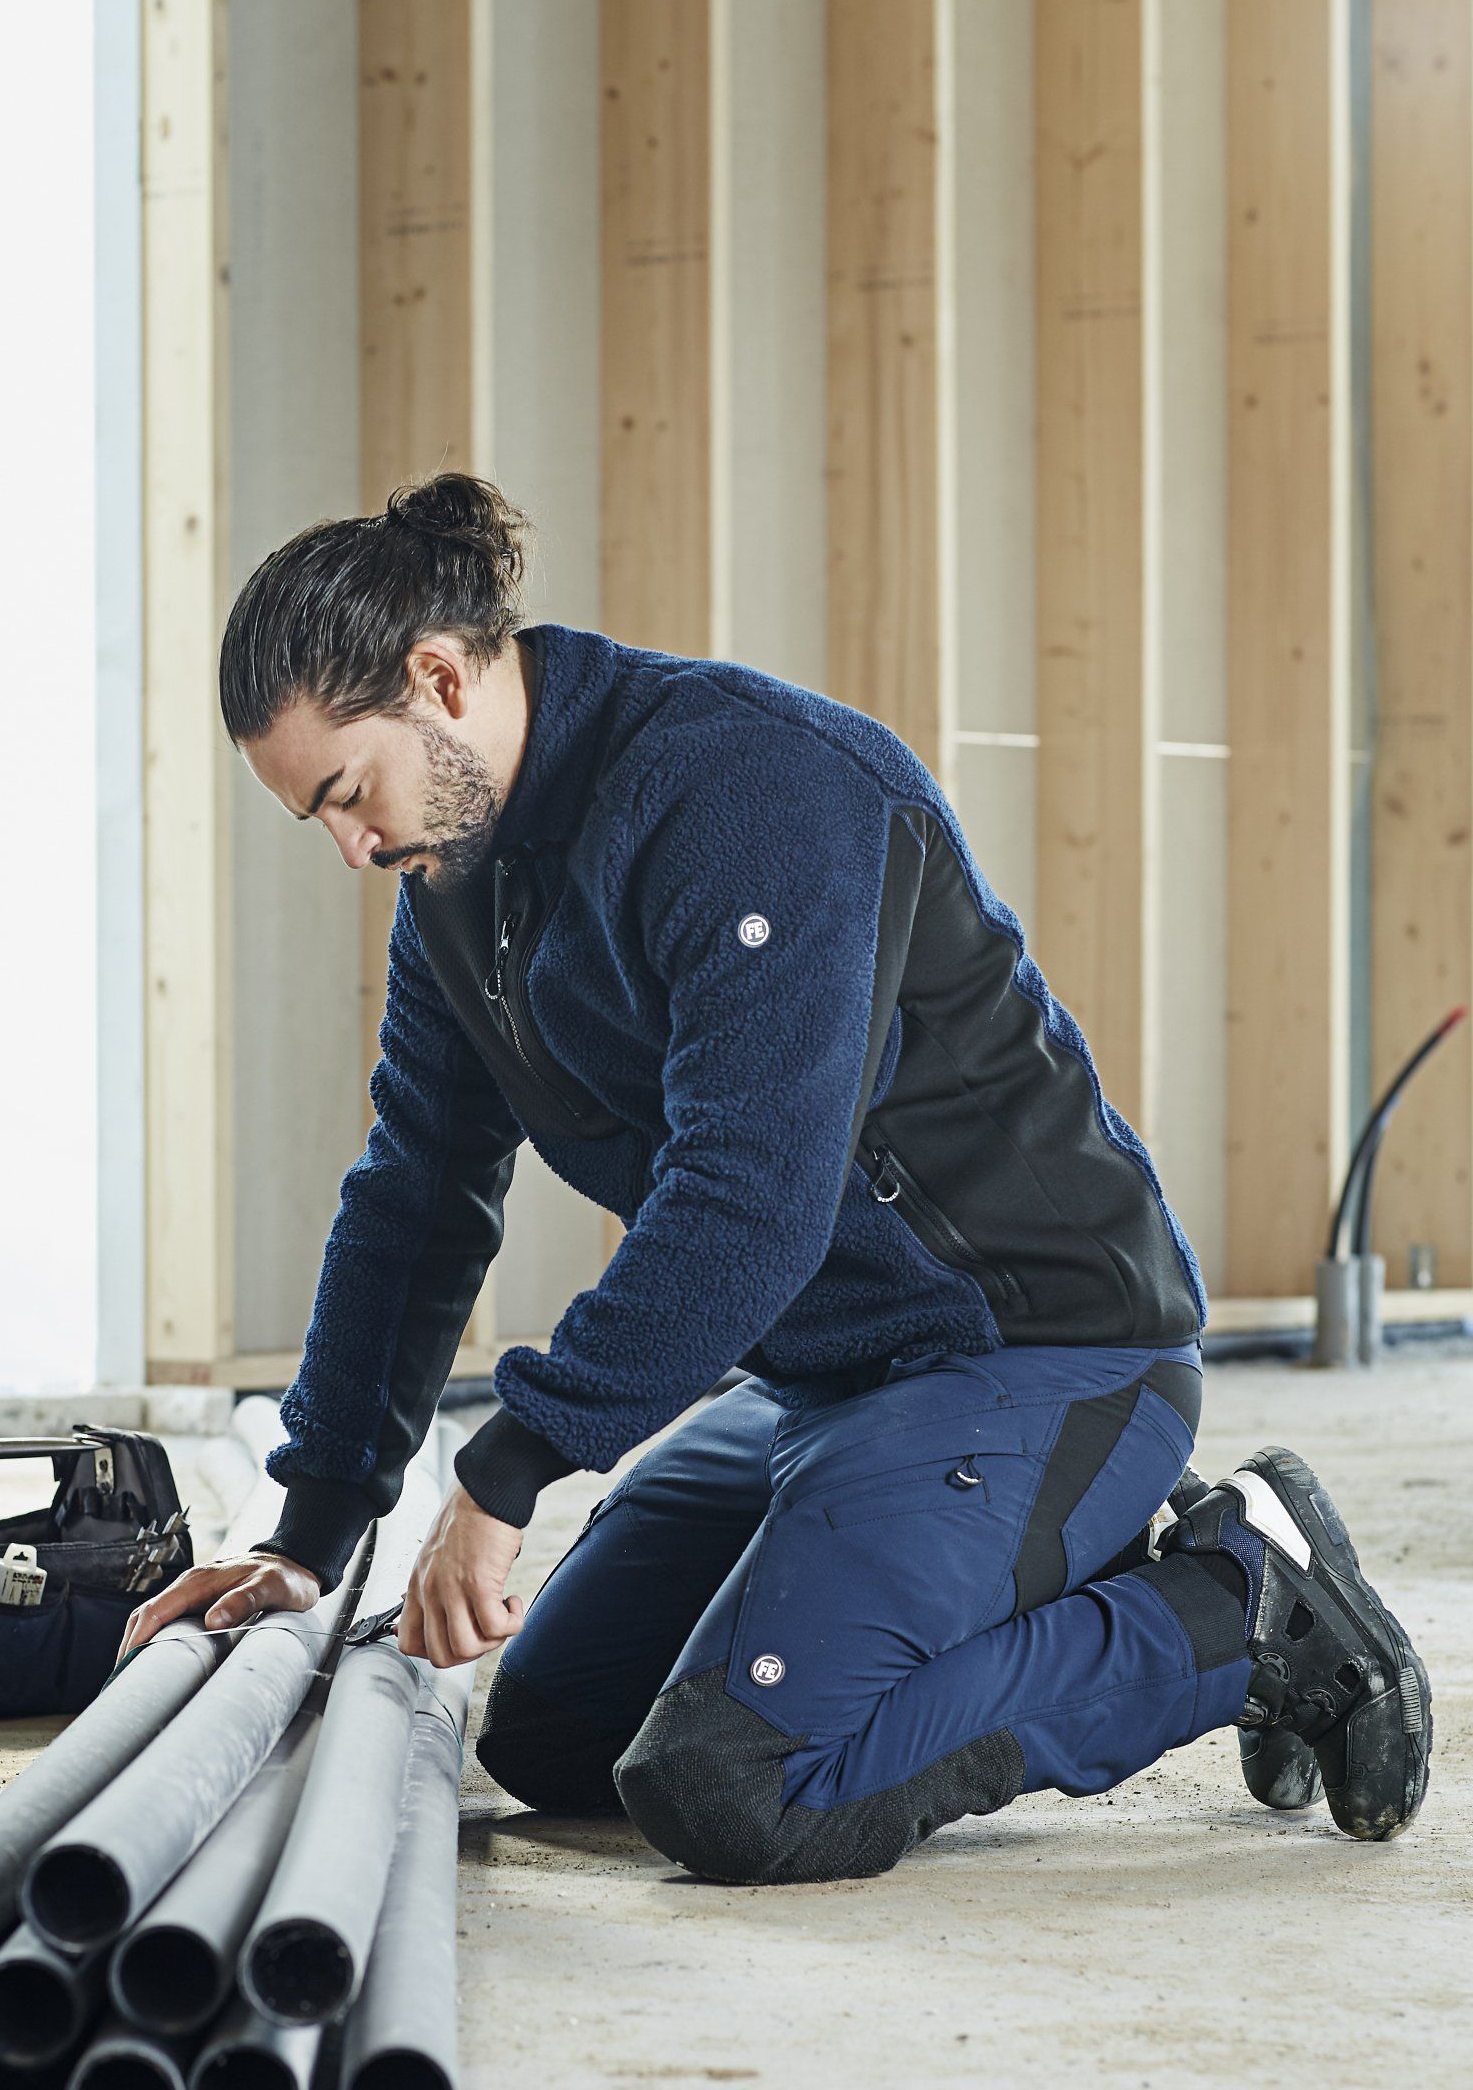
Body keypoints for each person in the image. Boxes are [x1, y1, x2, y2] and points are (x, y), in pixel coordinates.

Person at [120, 473, 1430, 1880]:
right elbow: (416, 1195)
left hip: (1039, 1355)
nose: (353, 846)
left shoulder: (751, 791)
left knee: (736, 1783)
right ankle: (1027, 1566)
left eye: (348, 792)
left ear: (438, 678)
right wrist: (312, 1525)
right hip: (824, 1385)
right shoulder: (455, 885)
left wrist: (504, 1473)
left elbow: (750, 1200)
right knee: (560, 1739)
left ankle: (1235, 1613)